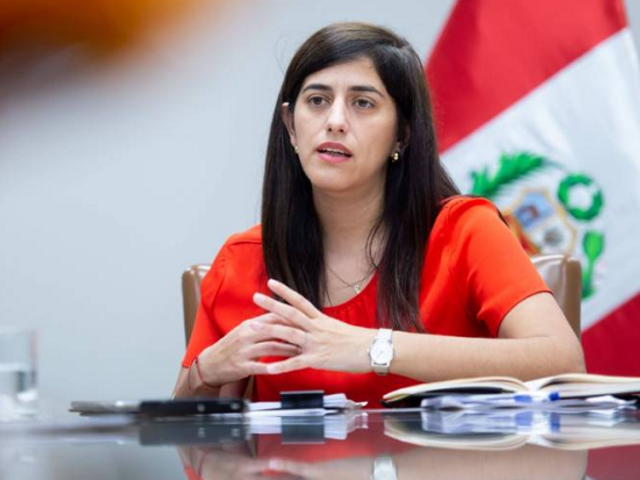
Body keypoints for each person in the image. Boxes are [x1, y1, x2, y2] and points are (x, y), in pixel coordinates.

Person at [172, 22, 585, 405]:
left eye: (363, 103)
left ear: (401, 134)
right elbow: (185, 438)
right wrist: (207, 371)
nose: (335, 121)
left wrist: (373, 347)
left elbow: (563, 361)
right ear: (291, 126)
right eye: (317, 100)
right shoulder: (245, 259)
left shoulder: (463, 231)